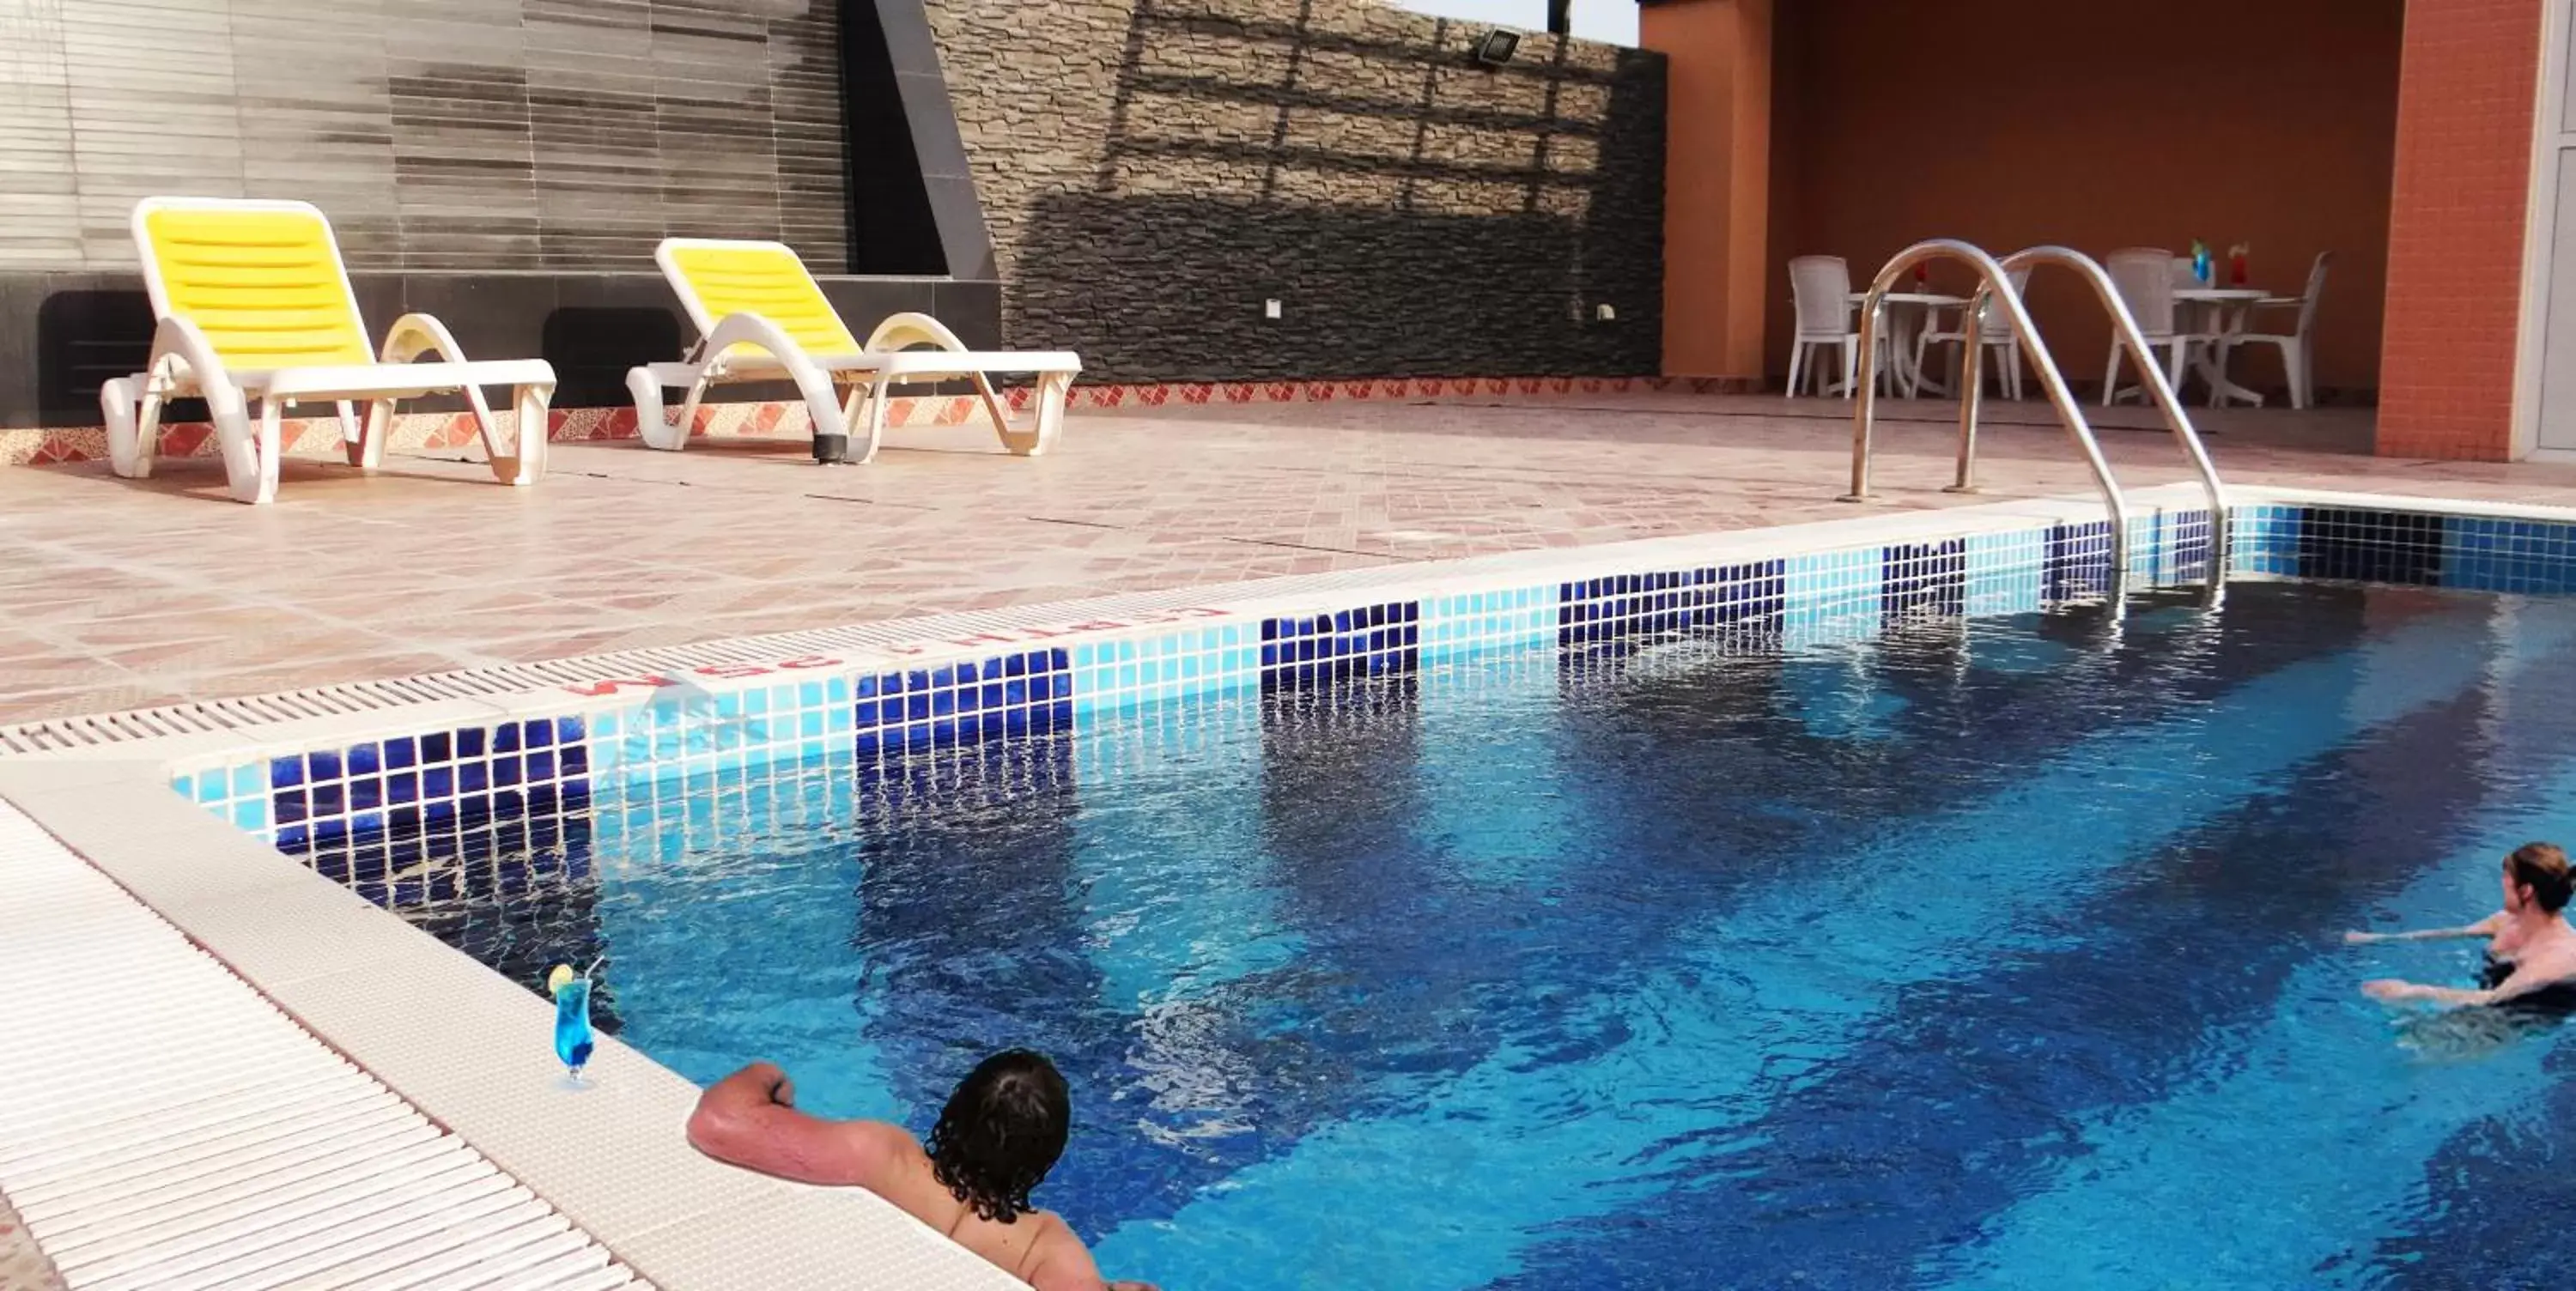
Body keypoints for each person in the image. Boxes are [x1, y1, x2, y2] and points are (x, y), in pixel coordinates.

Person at [687, 1049, 1155, 1291]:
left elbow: (718, 1123)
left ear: (956, 1106)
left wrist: (767, 1073)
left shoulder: (881, 1156)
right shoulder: (1043, 1245)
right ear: (1048, 1157)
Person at [2348, 842, 2576, 1012]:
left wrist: (2411, 991)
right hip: (2492, 992)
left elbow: (2495, 998)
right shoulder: (2506, 920)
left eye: (2506, 879)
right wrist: (2377, 938)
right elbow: (2448, 934)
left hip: (2529, 1012)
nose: (2501, 884)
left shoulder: (2559, 955)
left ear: (2525, 891)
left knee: (2419, 1050)